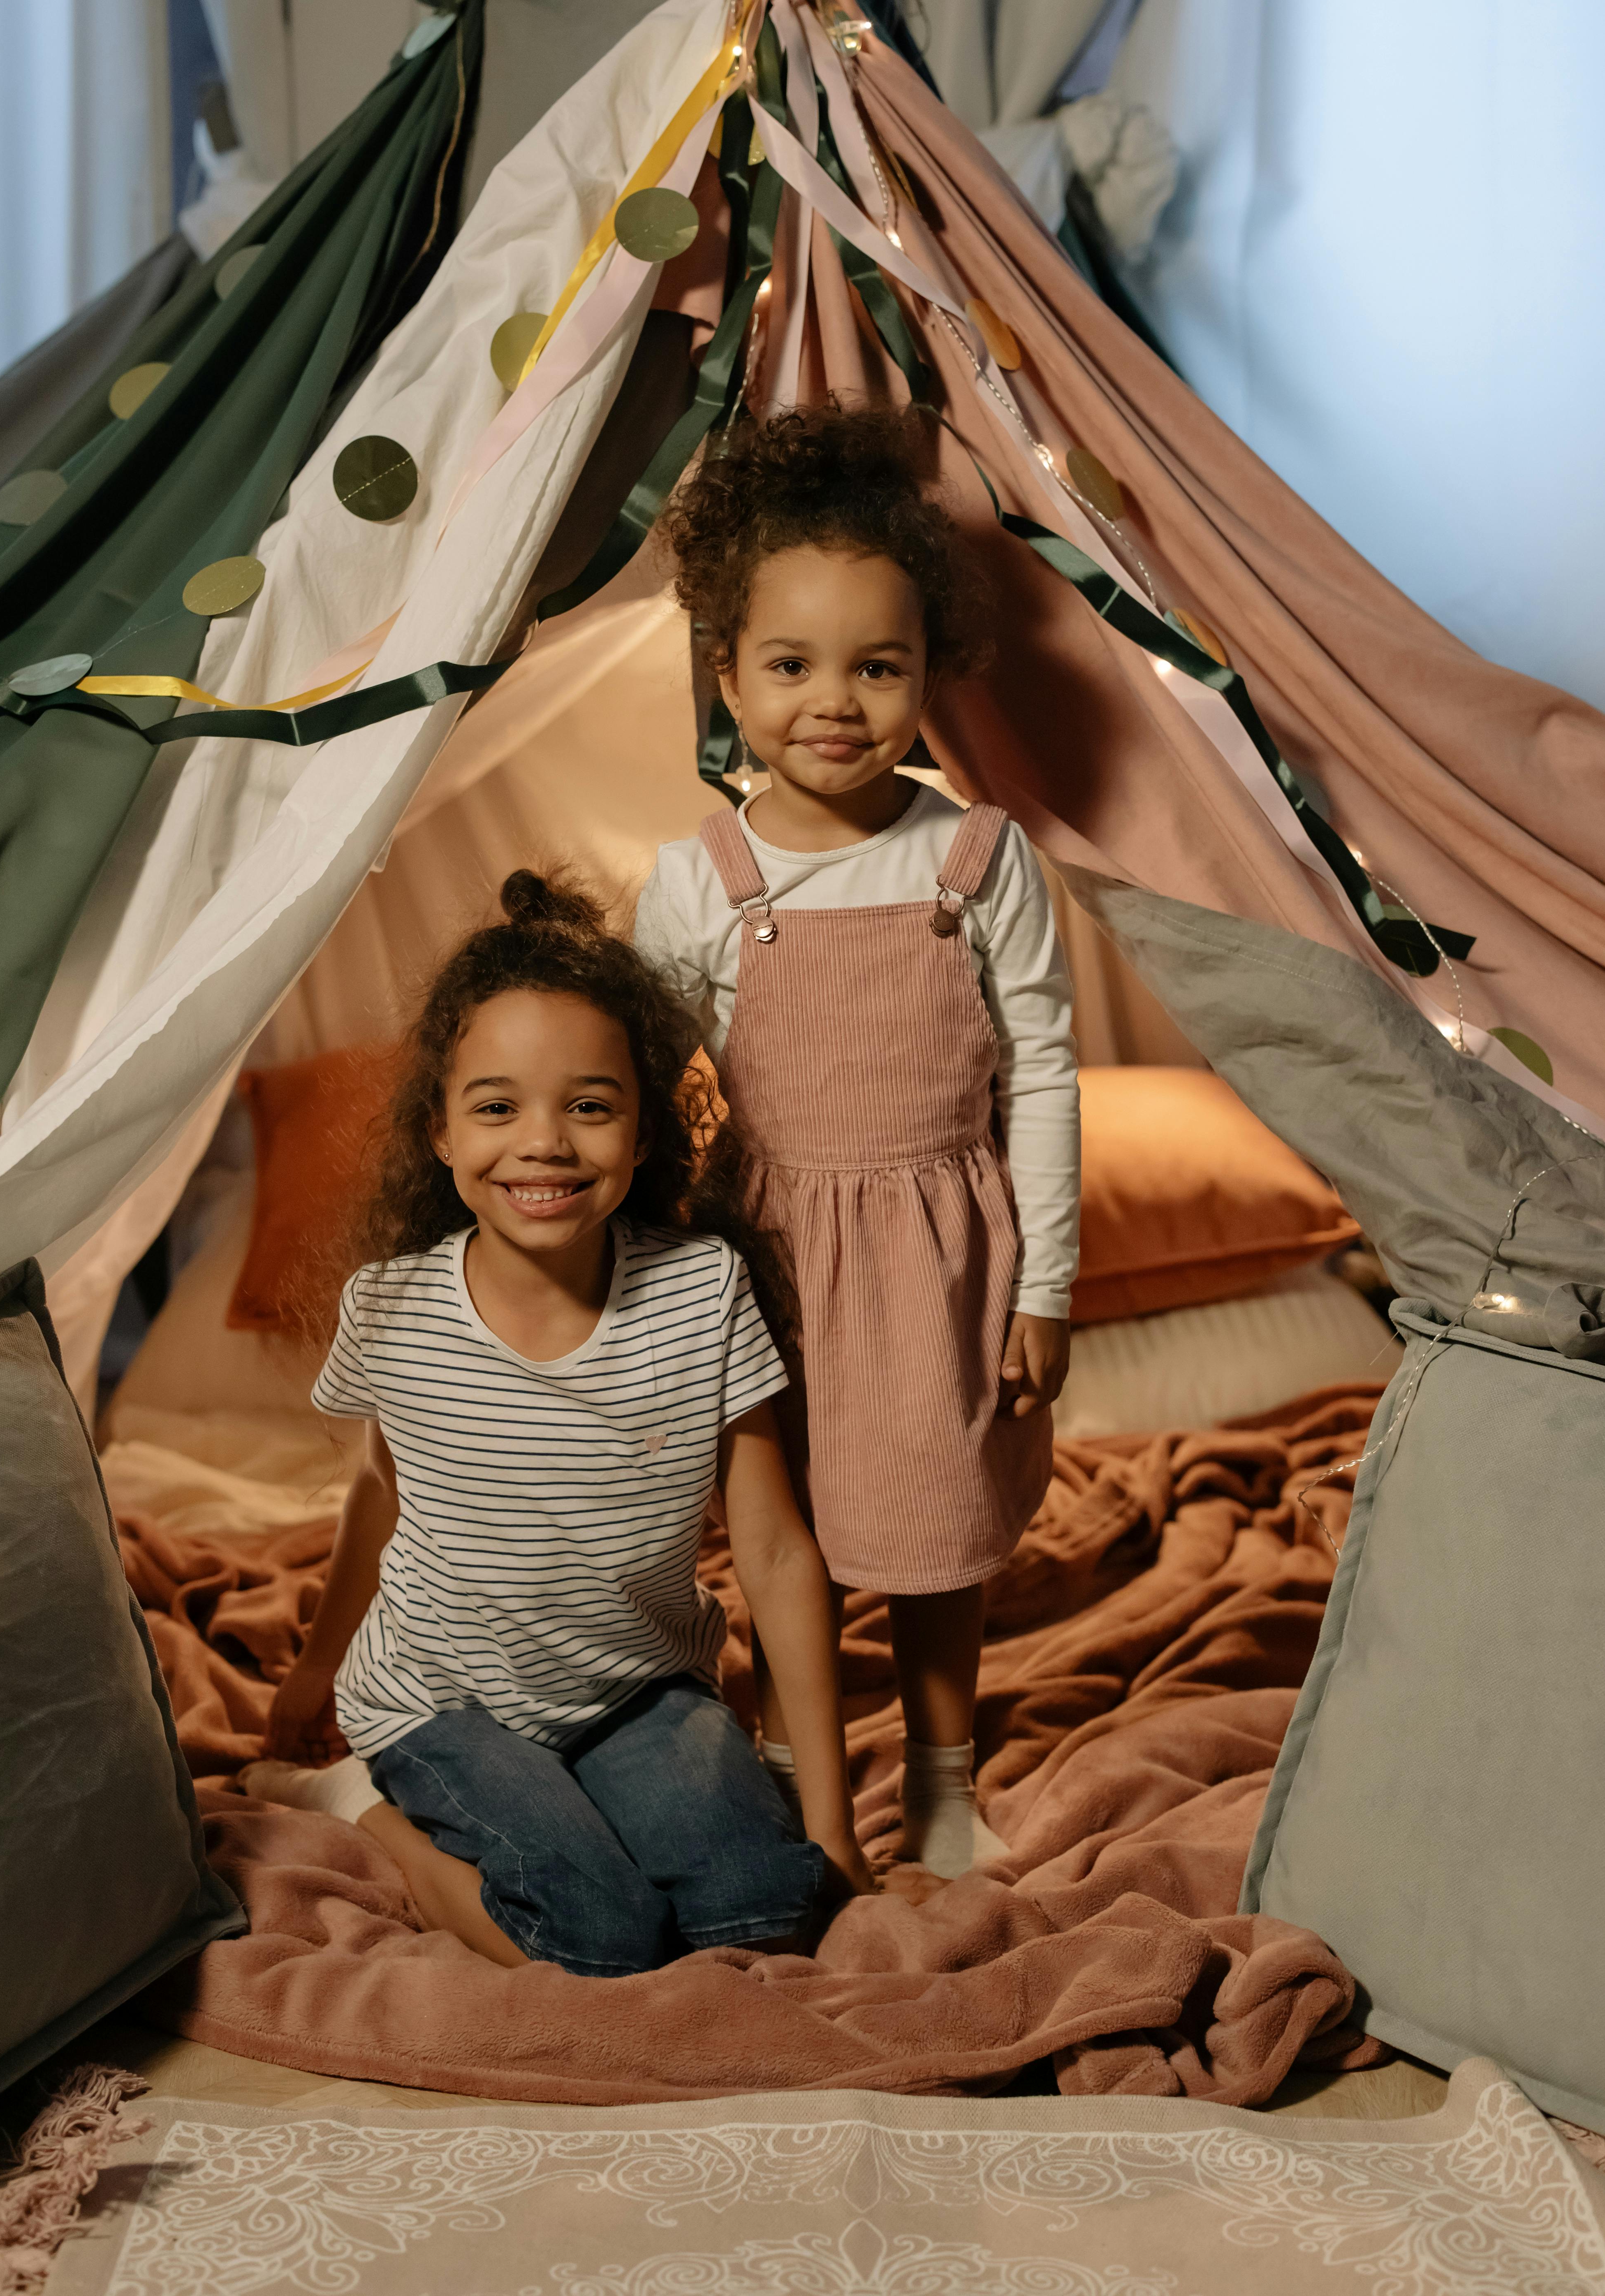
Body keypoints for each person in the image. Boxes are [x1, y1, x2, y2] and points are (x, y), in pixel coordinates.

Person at [243, 868, 873, 1976]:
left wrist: (831, 1827)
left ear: (643, 1131)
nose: (544, 1143)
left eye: (589, 1106)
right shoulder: (395, 1310)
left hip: (640, 1691)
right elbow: (383, 1496)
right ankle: (358, 1804)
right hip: (442, 1700)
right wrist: (314, 1671)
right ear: (439, 1131)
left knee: (773, 1912)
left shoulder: (702, 1291)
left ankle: (607, 1805)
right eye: (497, 1107)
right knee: (597, 1940)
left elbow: (774, 1552)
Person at [636, 403, 1080, 1879]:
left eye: (878, 667)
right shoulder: (703, 881)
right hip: (762, 1264)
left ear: (929, 671)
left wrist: (1046, 1285)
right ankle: (790, 1768)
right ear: (728, 674)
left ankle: (948, 1788)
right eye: (791, 664)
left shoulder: (975, 856)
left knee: (935, 1536)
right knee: (789, 1543)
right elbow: (639, 1091)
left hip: (940, 1258)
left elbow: (1047, 1076)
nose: (835, 702)